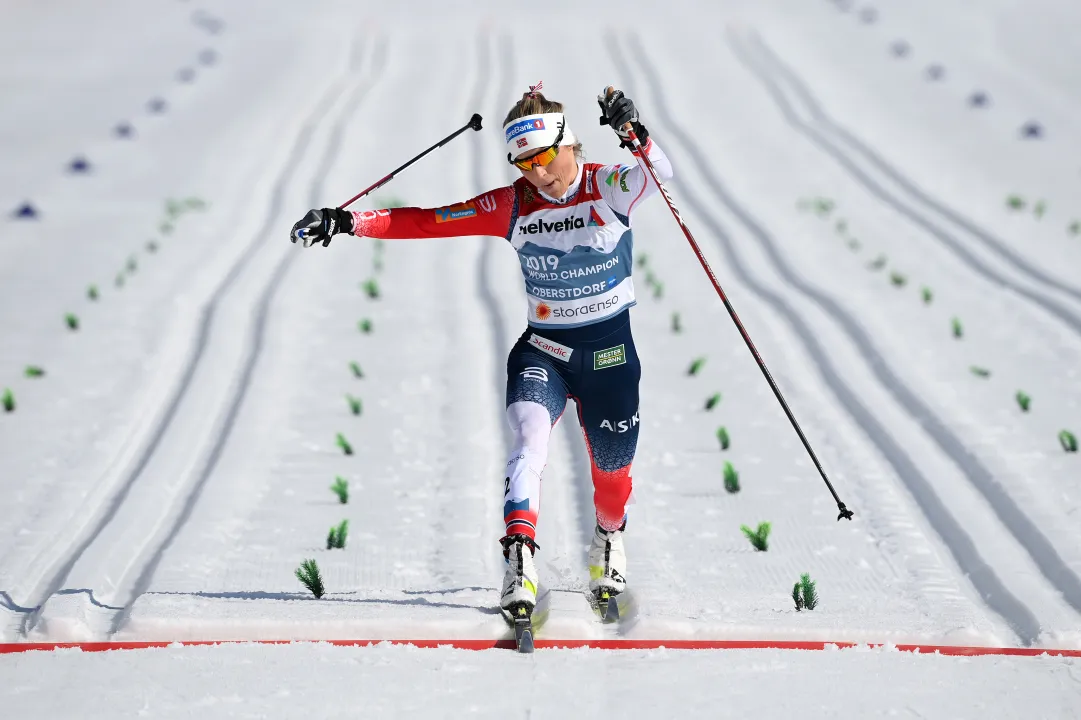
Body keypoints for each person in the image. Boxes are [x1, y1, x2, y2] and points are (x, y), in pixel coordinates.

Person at [290, 85, 673, 620]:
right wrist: (350, 221)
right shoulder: (512, 203)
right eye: (522, 162)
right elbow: (429, 220)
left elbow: (659, 176)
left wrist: (635, 134)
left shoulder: (606, 185)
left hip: (610, 358)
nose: (535, 173)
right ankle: (519, 557)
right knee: (529, 441)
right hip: (544, 352)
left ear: (566, 141)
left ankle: (609, 539)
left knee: (612, 480)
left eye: (542, 158)